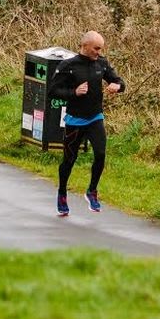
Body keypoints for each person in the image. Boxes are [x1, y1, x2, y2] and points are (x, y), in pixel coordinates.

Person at [48, 31, 126, 216]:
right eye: (96, 48)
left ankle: (91, 191)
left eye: (101, 49)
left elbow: (118, 81)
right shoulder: (68, 65)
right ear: (85, 46)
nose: (99, 52)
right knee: (69, 159)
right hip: (75, 121)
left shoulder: (102, 63)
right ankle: (62, 193)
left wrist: (118, 86)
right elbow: (53, 91)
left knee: (100, 153)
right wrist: (74, 92)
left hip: (95, 117)